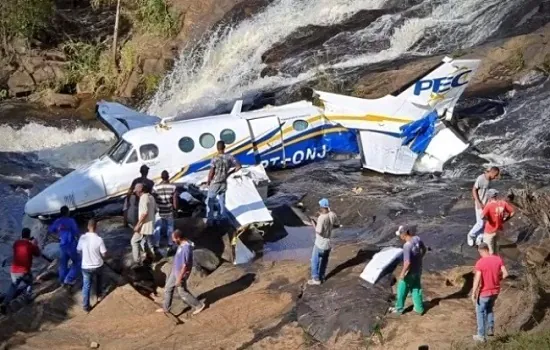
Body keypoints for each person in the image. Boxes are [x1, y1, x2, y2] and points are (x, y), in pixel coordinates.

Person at [156, 229, 205, 315]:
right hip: (175, 271)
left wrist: (179, 278)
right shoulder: (181, 244)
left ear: (178, 238)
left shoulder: (186, 248)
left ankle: (199, 305)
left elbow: (185, 265)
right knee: (168, 288)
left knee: (182, 292)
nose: (173, 240)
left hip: (180, 273)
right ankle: (166, 308)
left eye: (174, 238)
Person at [471, 242, 509, 342]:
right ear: (488, 249)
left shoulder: (480, 262)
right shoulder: (498, 259)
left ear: (481, 251)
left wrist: (473, 292)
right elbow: (505, 274)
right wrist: (497, 279)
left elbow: (477, 279)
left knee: (480, 312)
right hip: (495, 291)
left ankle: (481, 336)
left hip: (484, 292)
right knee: (489, 308)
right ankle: (490, 328)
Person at [1, 228, 40, 313]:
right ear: (29, 235)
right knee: (30, 282)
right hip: (24, 271)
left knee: (13, 287)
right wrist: (35, 244)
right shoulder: (30, 245)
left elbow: (20, 250)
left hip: (14, 271)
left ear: (21, 235)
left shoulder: (16, 243)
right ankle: (28, 297)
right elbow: (38, 254)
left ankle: (5, 303)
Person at [390, 225, 427, 315]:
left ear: (404, 234)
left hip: (409, 272)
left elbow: (407, 263)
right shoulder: (417, 239)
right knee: (416, 288)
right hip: (418, 269)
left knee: (401, 289)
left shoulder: (407, 246)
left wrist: (402, 274)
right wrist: (419, 258)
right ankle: (419, 308)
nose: (400, 236)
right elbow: (424, 249)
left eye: (400, 234)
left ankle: (398, 309)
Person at [206, 141, 241, 225]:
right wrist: (229, 173)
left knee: (209, 201)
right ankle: (221, 218)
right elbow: (238, 166)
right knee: (221, 201)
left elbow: (212, 172)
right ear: (224, 147)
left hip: (215, 182)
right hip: (224, 182)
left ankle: (210, 220)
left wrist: (208, 180)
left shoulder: (215, 158)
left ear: (217, 148)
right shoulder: (229, 157)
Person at [308, 198, 340, 286]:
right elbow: (337, 225)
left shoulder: (321, 218)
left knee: (315, 261)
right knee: (324, 261)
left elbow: (318, 231)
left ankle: (315, 279)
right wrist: (329, 228)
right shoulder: (332, 214)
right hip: (328, 243)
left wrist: (314, 224)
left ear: (322, 207)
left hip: (320, 243)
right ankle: (322, 277)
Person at [77, 219, 107, 312]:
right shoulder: (99, 239)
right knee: (99, 279)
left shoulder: (82, 238)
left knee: (86, 286)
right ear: (96, 227)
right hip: (97, 265)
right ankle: (99, 295)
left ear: (88, 227)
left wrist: (84, 256)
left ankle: (86, 306)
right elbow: (104, 253)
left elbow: (78, 250)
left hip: (86, 267)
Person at [48, 206, 81, 287]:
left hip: (62, 245)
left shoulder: (57, 221)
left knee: (63, 264)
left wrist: (58, 231)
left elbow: (51, 229)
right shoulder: (71, 221)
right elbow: (76, 232)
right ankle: (68, 279)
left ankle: (62, 280)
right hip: (71, 244)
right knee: (77, 262)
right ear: (67, 212)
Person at [467, 167, 500, 247]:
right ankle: (471, 235)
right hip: (480, 204)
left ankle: (479, 238)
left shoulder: (490, 180)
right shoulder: (481, 178)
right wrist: (478, 203)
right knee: (480, 223)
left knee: (486, 223)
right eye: (495, 175)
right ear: (491, 172)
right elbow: (474, 190)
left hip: (487, 205)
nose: (495, 177)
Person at [481, 189, 515, 255]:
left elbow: (482, 216)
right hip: (498, 229)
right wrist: (505, 220)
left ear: (489, 197)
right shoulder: (503, 203)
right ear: (496, 196)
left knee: (489, 249)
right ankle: (496, 258)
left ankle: (491, 262)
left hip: (489, 230)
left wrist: (488, 219)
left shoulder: (489, 205)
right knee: (496, 246)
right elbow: (512, 212)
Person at [131, 183, 157, 265]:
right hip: (150, 224)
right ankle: (151, 257)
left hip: (144, 226)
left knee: (134, 241)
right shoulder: (151, 197)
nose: (135, 193)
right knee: (146, 242)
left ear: (140, 191)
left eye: (136, 191)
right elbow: (155, 210)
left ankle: (137, 262)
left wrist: (138, 225)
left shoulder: (143, 198)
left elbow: (144, 213)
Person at [153, 170, 177, 253]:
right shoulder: (173, 187)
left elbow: (154, 199)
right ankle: (170, 244)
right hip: (169, 210)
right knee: (170, 227)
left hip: (159, 210)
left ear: (161, 177)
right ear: (168, 177)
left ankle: (156, 245)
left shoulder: (156, 187)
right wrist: (175, 209)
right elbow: (174, 200)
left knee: (157, 228)